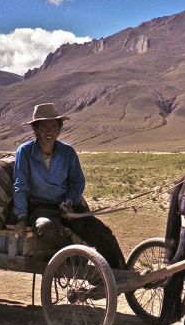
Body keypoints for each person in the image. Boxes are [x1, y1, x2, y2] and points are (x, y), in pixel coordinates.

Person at [13, 103, 126, 269]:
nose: (49, 131)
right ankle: (77, 261)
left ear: (59, 129)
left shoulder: (67, 152)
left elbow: (77, 181)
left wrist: (70, 201)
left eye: (53, 126)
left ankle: (121, 271)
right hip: (40, 208)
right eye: (44, 126)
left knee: (102, 232)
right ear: (36, 130)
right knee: (46, 227)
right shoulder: (24, 151)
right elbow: (20, 185)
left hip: (67, 207)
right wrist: (22, 216)